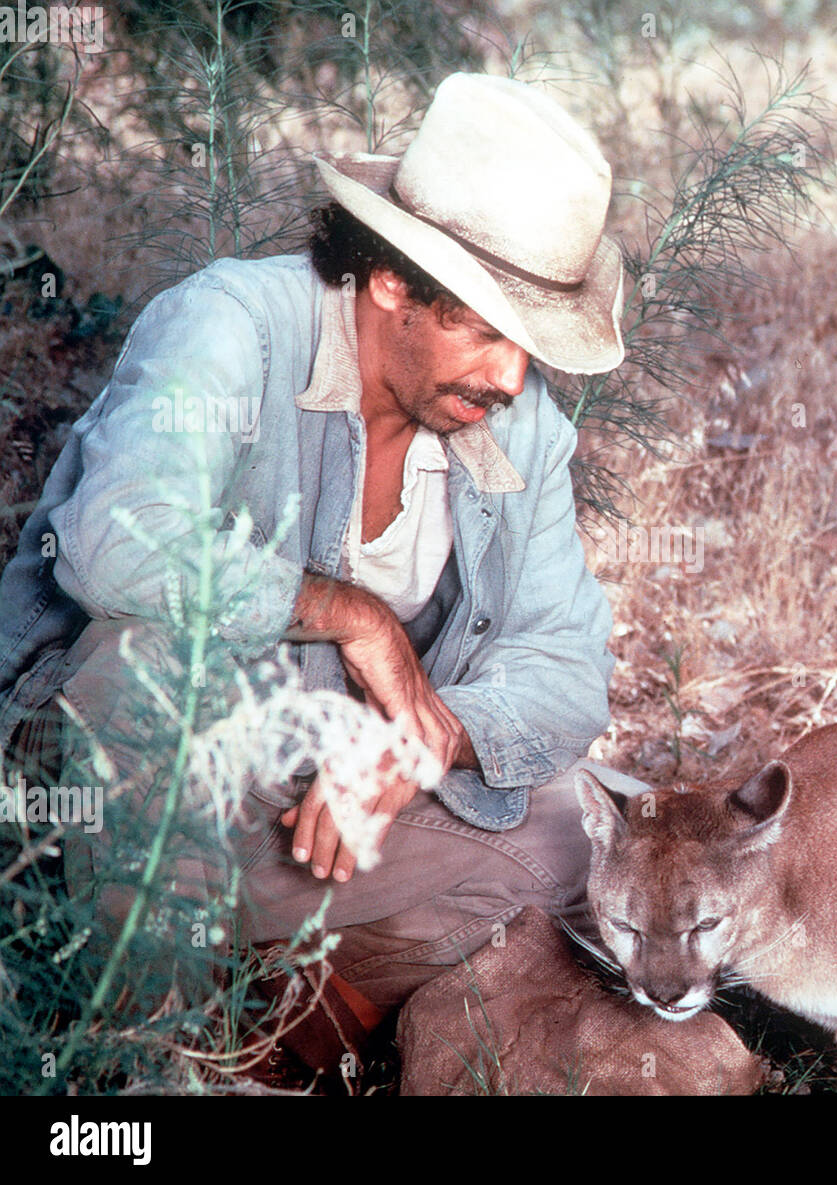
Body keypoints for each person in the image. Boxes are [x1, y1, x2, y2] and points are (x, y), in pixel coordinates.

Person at [0, 72, 670, 1081]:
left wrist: (424, 740)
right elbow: (116, 542)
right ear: (391, 280)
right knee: (136, 660)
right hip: (107, 807)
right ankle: (140, 1062)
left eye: (525, 342)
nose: (511, 379)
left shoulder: (515, 425)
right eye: (482, 330)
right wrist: (354, 616)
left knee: (607, 831)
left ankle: (285, 1031)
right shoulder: (232, 323)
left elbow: (564, 666)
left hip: (323, 830)